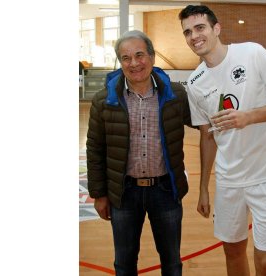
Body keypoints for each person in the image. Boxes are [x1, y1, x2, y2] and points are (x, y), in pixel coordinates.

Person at [178, 5, 266, 276]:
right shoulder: (195, 82)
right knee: (232, 252)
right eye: (187, 32)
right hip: (229, 180)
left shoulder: (252, 53)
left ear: (216, 28)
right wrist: (203, 187)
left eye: (200, 28)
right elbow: (207, 137)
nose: (194, 36)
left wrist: (249, 117)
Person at [86, 30, 193, 276]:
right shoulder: (104, 101)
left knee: (172, 263)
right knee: (124, 264)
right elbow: (95, 149)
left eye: (139, 55)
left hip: (165, 191)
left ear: (152, 57)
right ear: (120, 62)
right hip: (124, 194)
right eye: (126, 58)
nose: (134, 63)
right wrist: (99, 194)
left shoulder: (176, 95)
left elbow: (205, 123)